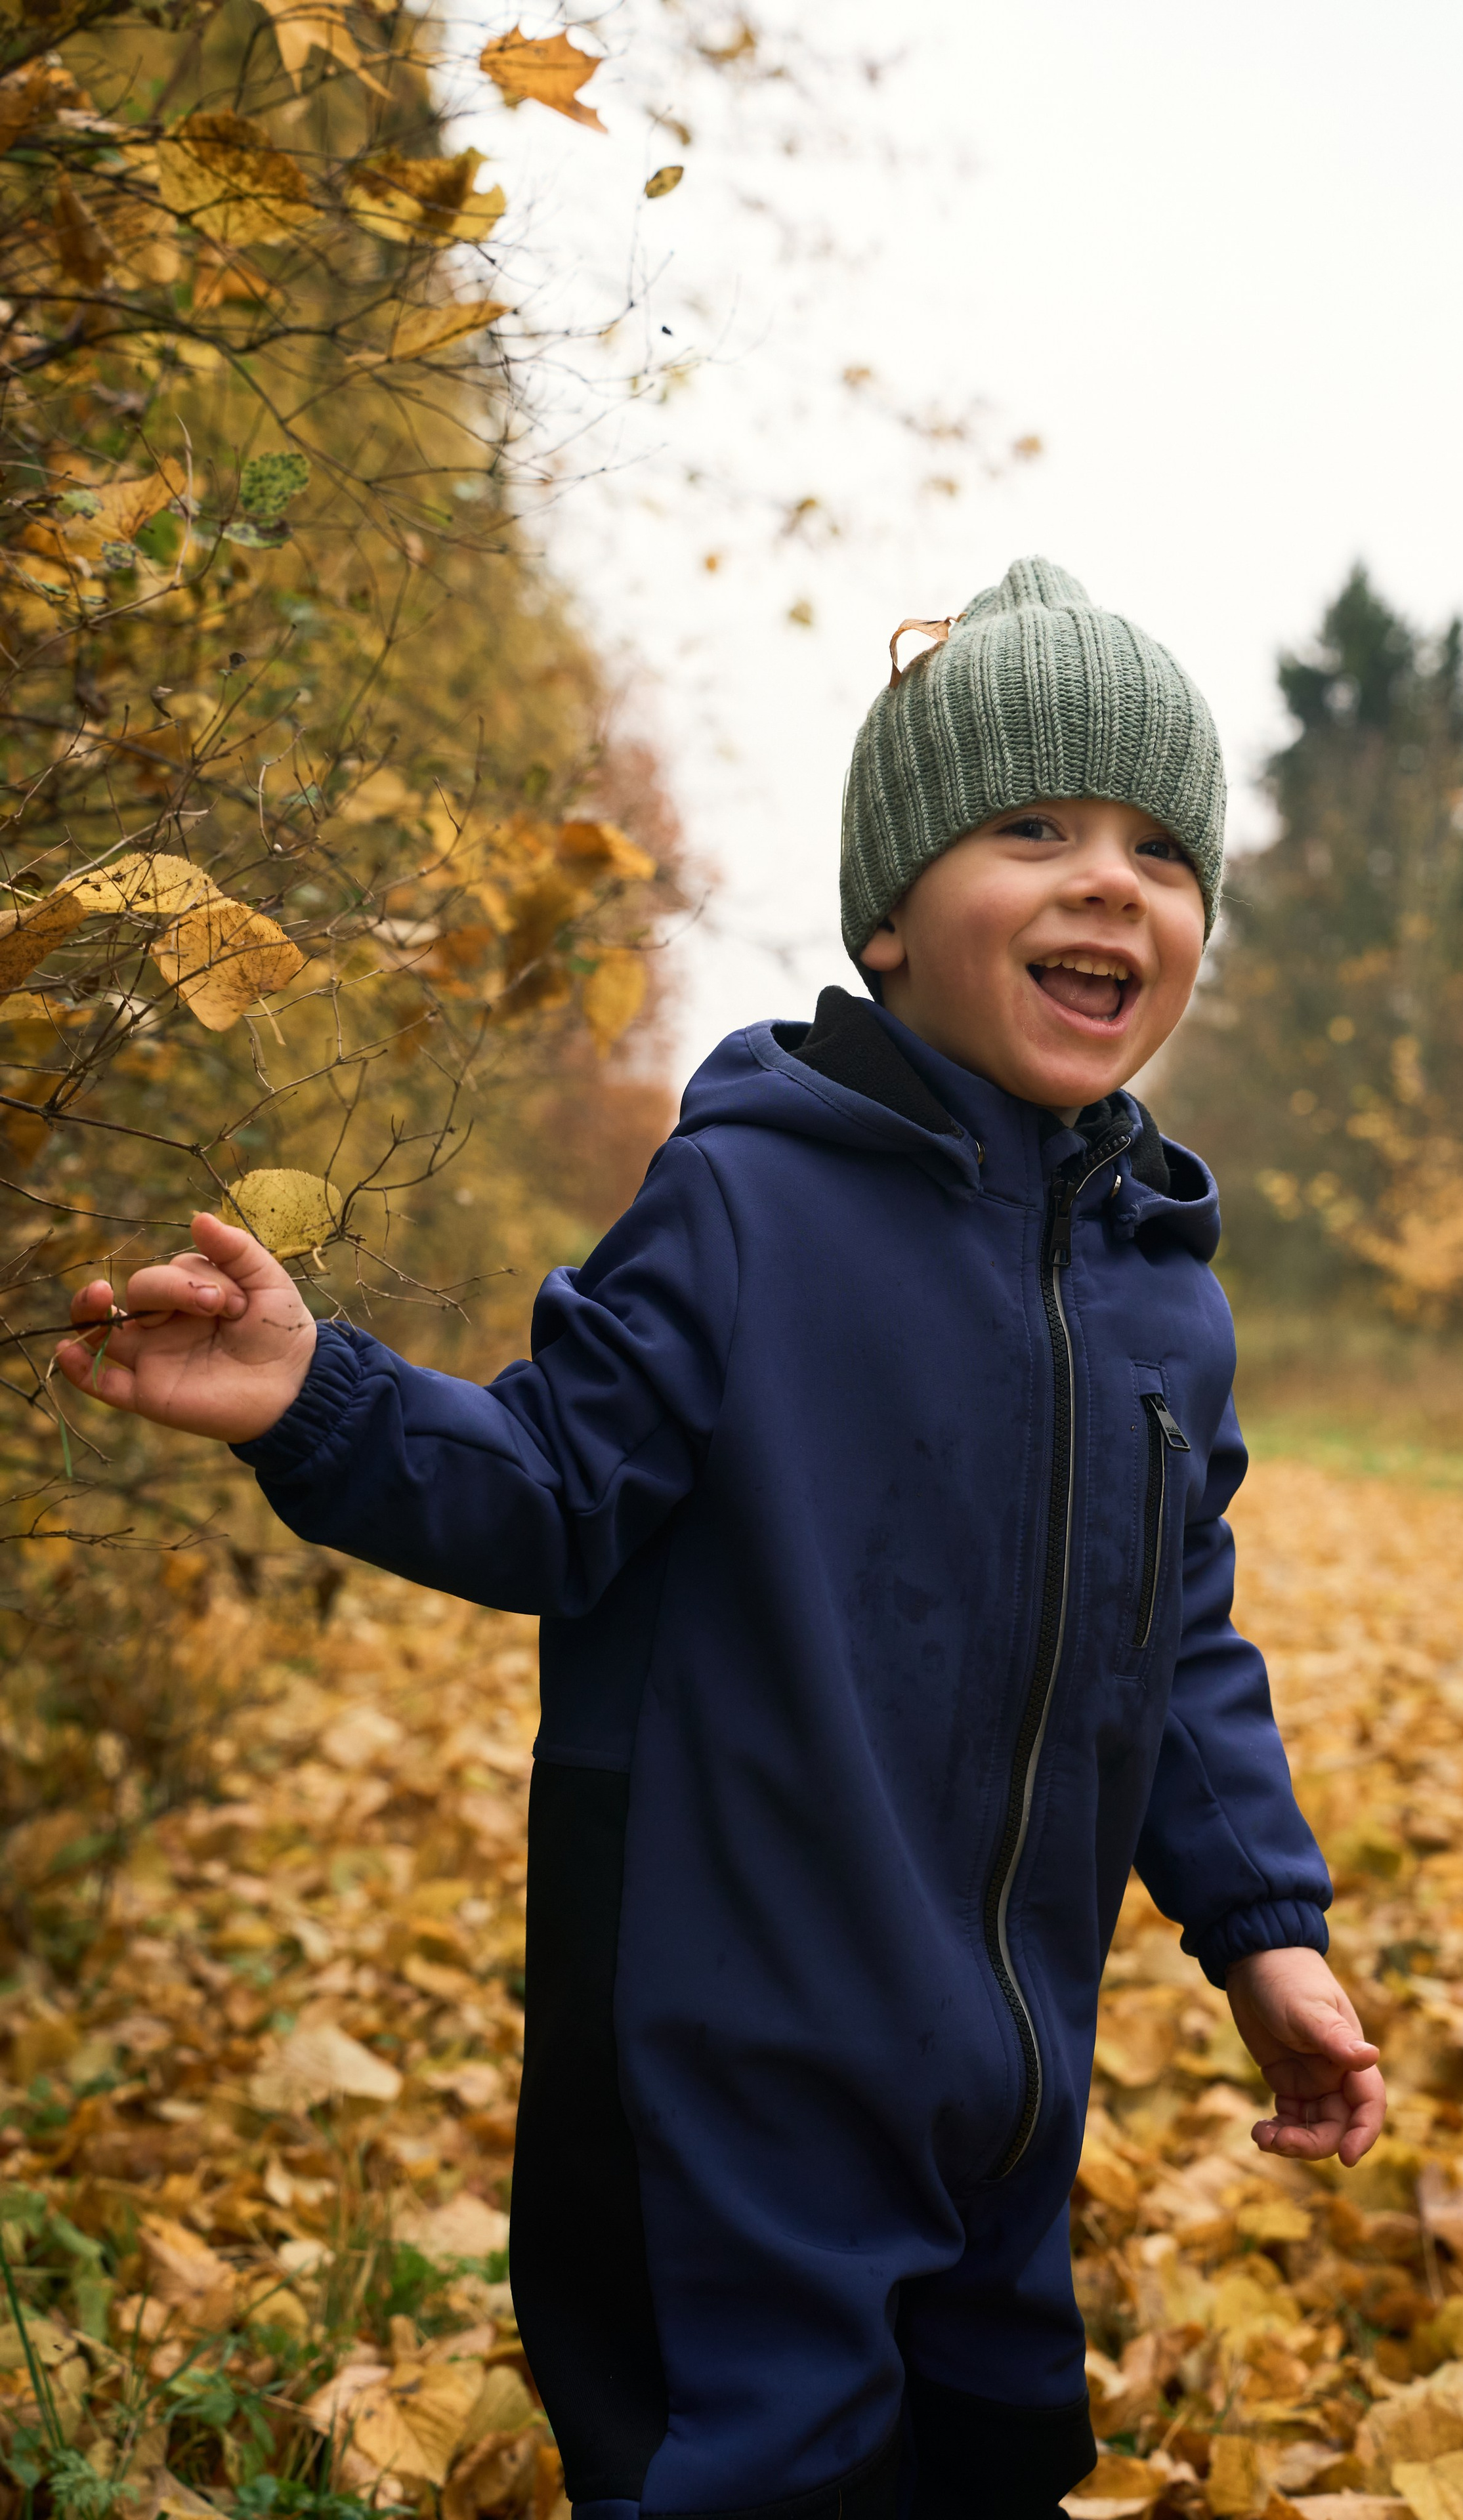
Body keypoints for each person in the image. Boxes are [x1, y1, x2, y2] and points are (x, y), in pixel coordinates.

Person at [58, 558, 1384, 2520]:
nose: (1114, 880)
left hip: (1007, 2089)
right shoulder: (751, 1203)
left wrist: (1266, 1934)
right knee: (754, 2469)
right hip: (722, 2068)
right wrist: (312, 1396)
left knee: (988, 2452)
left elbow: (1170, 1647)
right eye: (1036, 829)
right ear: (893, 914)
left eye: (1163, 851)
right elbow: (548, 1491)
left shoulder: (1162, 1291)